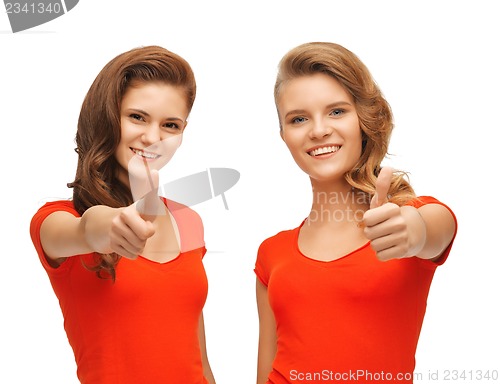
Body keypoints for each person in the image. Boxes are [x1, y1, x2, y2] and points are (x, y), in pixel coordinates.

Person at [254, 42, 457, 384]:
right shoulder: (271, 253)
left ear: (363, 119)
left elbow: (437, 227)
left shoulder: (407, 220)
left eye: (336, 111)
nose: (318, 130)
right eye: (299, 118)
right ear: (284, 135)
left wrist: (414, 230)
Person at [30, 45, 216, 384]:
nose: (152, 138)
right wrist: (110, 225)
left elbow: (199, 359)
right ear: (107, 115)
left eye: (170, 125)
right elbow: (88, 229)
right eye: (137, 117)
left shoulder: (188, 221)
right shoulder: (55, 220)